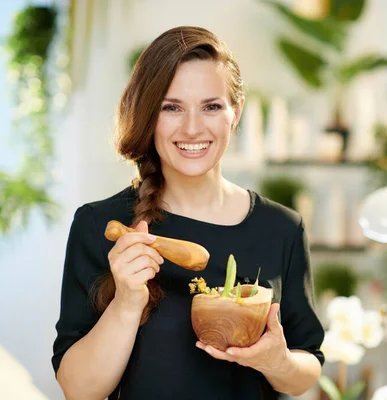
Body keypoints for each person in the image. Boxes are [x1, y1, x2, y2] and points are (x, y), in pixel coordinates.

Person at [52, 26, 325, 400]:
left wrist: (275, 361)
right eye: (172, 107)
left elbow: (305, 369)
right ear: (150, 115)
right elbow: (78, 389)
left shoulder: (282, 228)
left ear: (236, 113)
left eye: (211, 106)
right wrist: (128, 302)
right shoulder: (100, 226)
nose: (193, 128)